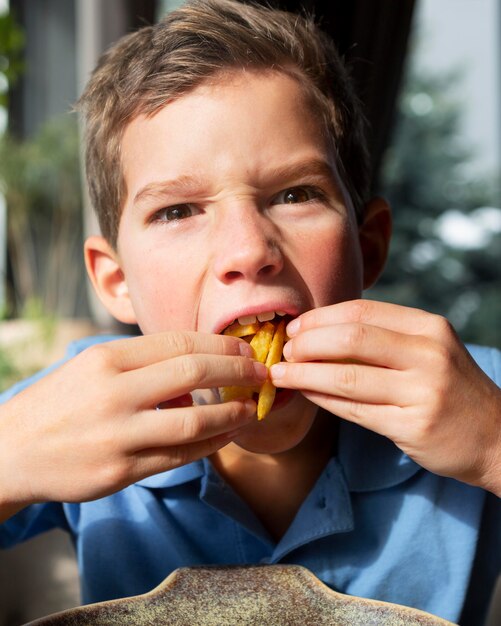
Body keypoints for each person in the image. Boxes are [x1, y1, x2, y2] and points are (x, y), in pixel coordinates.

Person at [0, 0, 499, 623]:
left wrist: (494, 446)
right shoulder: (74, 407)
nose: (248, 251)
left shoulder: (471, 394)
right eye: (178, 211)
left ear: (367, 247)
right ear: (116, 279)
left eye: (295, 194)